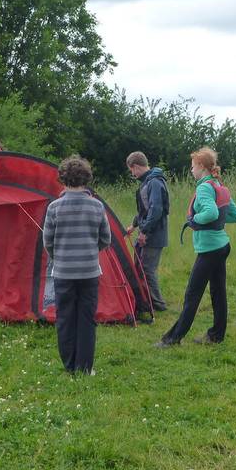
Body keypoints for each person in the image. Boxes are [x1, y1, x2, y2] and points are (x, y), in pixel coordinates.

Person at [157, 147, 236, 348]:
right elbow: (235, 215)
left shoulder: (204, 188)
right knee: (218, 292)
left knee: (192, 295)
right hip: (222, 245)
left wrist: (195, 219)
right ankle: (216, 335)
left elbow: (211, 213)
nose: (191, 170)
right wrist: (215, 220)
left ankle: (172, 339)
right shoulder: (219, 186)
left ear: (201, 167)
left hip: (210, 249)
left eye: (192, 166)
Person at [42, 156, 111, 374]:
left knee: (65, 318)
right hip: (89, 272)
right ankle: (84, 367)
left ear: (63, 178)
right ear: (86, 178)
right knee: (86, 319)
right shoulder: (97, 206)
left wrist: (60, 256)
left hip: (63, 272)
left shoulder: (54, 208)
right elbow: (105, 239)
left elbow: (48, 242)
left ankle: (69, 365)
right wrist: (90, 252)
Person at [125, 151, 170, 312]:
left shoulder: (155, 183)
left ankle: (158, 304)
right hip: (147, 230)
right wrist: (133, 225)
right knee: (138, 266)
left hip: (154, 234)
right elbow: (144, 210)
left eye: (131, 170)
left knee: (147, 269)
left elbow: (156, 210)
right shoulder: (147, 182)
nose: (132, 173)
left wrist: (144, 231)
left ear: (136, 166)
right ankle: (144, 299)